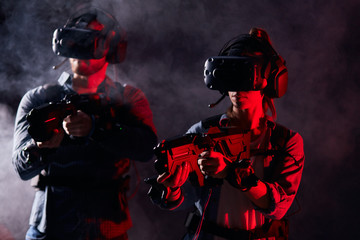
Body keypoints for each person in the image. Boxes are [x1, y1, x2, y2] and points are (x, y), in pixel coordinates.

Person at [12, 7, 157, 240]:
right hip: (50, 224)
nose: (80, 49)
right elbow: (21, 166)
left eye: (90, 41)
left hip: (107, 226)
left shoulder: (129, 99)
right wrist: (40, 147)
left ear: (110, 46)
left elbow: (147, 148)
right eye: (75, 39)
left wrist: (98, 128)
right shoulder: (39, 99)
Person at [152, 28, 304, 240]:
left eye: (244, 77)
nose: (236, 89)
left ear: (267, 79)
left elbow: (278, 207)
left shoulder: (285, 142)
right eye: (230, 78)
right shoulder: (202, 133)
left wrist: (232, 173)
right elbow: (188, 197)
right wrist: (173, 189)